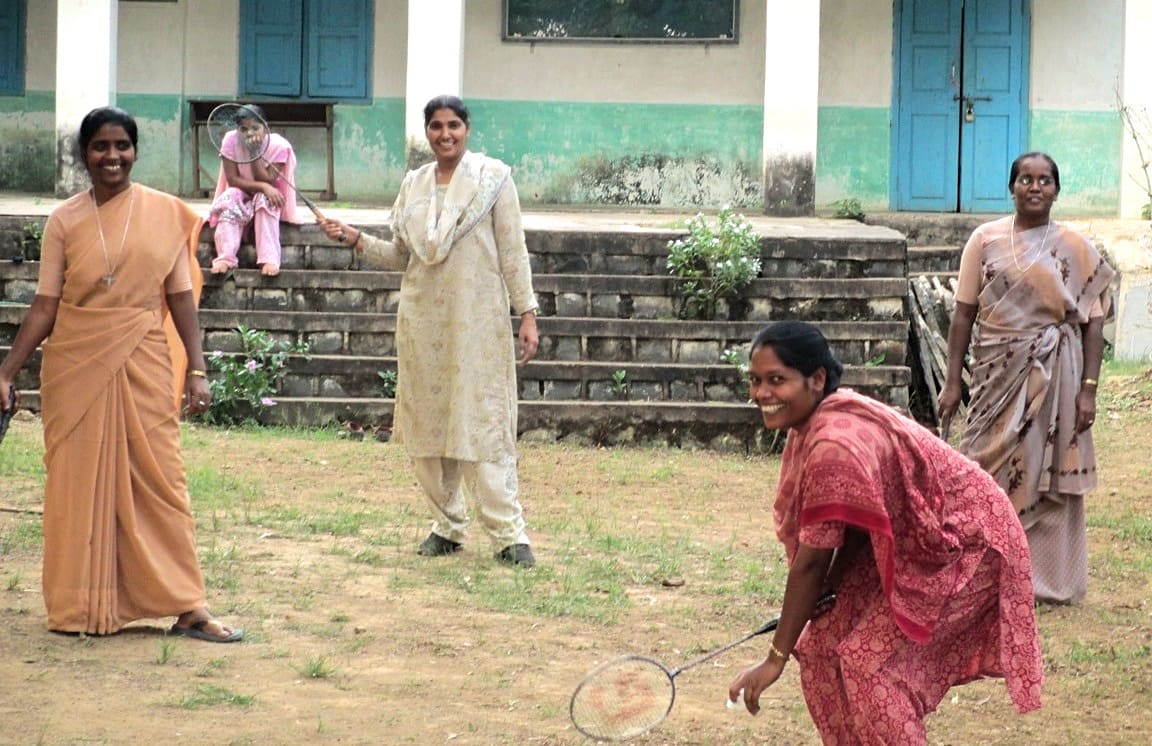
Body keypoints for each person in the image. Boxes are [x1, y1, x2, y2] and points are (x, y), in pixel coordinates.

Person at [728, 321, 1042, 744]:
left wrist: (774, 659)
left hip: (968, 541)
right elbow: (852, 526)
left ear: (817, 379)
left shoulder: (832, 447)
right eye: (755, 381)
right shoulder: (816, 422)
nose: (761, 394)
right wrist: (827, 595)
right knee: (819, 646)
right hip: (907, 538)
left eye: (776, 380)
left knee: (871, 666)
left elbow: (811, 562)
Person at [0, 107, 242, 642]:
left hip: (145, 357)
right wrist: (7, 371)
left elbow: (180, 298)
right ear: (83, 154)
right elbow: (44, 305)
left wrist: (197, 371)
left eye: (122, 146)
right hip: (76, 365)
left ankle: (188, 606)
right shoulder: (63, 219)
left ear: (135, 151)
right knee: (77, 484)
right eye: (100, 147)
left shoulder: (163, 213)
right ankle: (79, 606)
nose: (112, 157)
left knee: (162, 484)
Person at [317, 95, 540, 566]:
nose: (446, 134)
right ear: (427, 132)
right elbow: (402, 256)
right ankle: (447, 525)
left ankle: (509, 535)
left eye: (454, 125)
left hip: (476, 322)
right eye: (437, 126)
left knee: (482, 421)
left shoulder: (494, 180)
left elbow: (512, 252)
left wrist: (527, 313)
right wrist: (354, 238)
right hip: (423, 323)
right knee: (427, 426)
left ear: (467, 128)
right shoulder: (413, 186)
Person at [938, 152, 1114, 605]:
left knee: (1047, 469)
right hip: (996, 372)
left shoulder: (1075, 247)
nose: (1035, 188)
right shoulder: (984, 239)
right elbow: (963, 315)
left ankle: (1047, 582)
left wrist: (1089, 390)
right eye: (1025, 179)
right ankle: (985, 574)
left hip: (1057, 376)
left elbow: (1095, 321)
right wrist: (952, 382)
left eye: (1045, 181)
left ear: (1056, 189)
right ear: (1011, 187)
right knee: (982, 467)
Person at [207, 104, 301, 277]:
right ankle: (225, 258)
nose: (249, 134)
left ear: (265, 127)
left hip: (267, 193)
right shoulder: (230, 140)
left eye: (255, 128)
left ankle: (269, 258)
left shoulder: (279, 146)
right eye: (243, 129)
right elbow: (233, 179)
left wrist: (254, 152)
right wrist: (263, 187)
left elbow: (267, 180)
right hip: (241, 190)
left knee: (266, 198)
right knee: (229, 196)